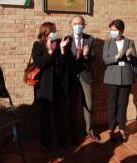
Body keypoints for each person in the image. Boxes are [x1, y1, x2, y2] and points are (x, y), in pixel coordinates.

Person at [32, 22, 70, 151]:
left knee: (60, 114)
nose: (54, 33)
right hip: (44, 86)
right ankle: (46, 142)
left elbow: (64, 65)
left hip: (58, 84)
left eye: (55, 30)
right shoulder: (37, 45)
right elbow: (39, 63)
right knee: (45, 116)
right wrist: (49, 51)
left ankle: (61, 140)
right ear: (45, 33)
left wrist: (63, 50)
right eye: (51, 31)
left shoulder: (59, 43)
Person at [103, 19, 137, 142]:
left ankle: (122, 127)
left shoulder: (130, 42)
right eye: (111, 30)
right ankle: (111, 128)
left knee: (123, 104)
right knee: (112, 104)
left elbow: (135, 60)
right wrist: (115, 57)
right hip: (112, 77)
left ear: (121, 30)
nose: (112, 32)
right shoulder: (107, 43)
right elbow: (105, 60)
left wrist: (128, 56)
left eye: (115, 30)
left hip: (126, 77)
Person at [66, 16, 98, 143]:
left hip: (86, 75)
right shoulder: (66, 40)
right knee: (72, 105)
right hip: (72, 77)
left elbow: (94, 57)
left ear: (84, 25)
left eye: (80, 23)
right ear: (71, 25)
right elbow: (65, 59)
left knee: (88, 104)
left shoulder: (89, 39)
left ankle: (89, 130)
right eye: (75, 23)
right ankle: (74, 133)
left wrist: (86, 55)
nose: (78, 25)